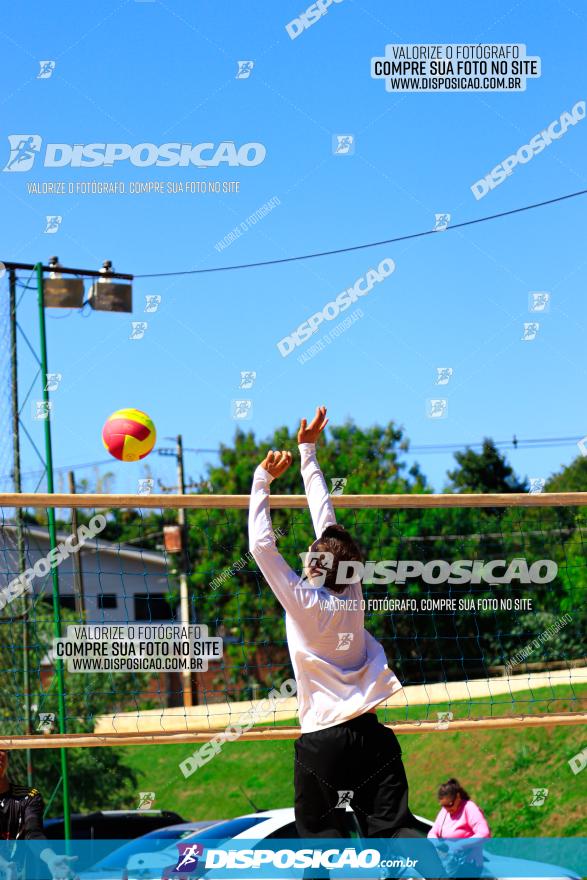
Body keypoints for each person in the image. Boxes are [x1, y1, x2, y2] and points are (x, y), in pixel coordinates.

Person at [248, 406, 444, 874]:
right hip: (372, 734)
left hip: (324, 741)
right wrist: (308, 453)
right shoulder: (351, 587)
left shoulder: (303, 599)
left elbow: (262, 546)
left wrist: (262, 481)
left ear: (316, 561)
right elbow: (327, 521)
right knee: (395, 829)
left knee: (322, 842)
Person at [0, 750, 78, 880]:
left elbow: (32, 832)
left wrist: (51, 858)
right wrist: (4, 865)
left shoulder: (28, 796)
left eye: (2, 748)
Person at [427, 778, 490, 877]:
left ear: (458, 797)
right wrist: (437, 843)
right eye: (444, 805)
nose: (448, 809)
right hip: (450, 865)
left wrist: (459, 845)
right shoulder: (444, 812)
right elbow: (432, 832)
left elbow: (484, 833)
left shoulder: (469, 808)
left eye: (450, 804)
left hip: (469, 866)